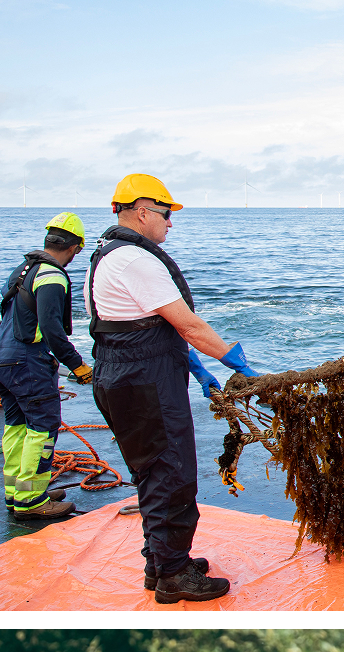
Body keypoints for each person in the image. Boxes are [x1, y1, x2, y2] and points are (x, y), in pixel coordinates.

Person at [85, 173, 261, 603]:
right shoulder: (136, 261)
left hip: (124, 378)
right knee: (173, 474)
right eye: (166, 214)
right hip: (145, 386)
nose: (170, 223)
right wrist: (237, 363)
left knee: (152, 471)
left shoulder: (106, 256)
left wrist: (198, 372)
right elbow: (189, 326)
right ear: (142, 211)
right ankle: (173, 577)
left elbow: (144, 328)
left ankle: (160, 561)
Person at [0, 213, 94, 519]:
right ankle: (33, 502)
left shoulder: (21, 270)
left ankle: (18, 494)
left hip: (5, 358)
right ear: (76, 247)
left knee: (16, 427)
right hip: (29, 362)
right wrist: (78, 366)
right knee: (42, 428)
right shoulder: (52, 276)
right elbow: (52, 330)